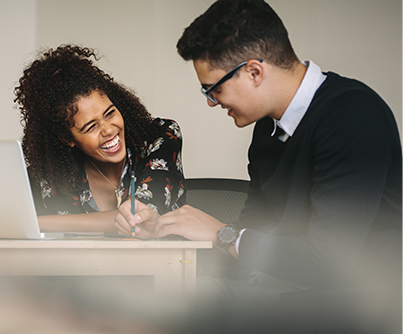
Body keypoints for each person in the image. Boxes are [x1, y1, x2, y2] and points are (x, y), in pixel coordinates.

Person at [115, 0, 401, 330]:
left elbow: (329, 263)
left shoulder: (354, 115)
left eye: (214, 89)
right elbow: (252, 235)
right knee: (146, 304)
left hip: (353, 307)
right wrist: (166, 231)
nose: (212, 102)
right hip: (285, 294)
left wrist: (220, 233)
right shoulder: (267, 129)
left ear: (254, 71)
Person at [0, 44, 186, 236]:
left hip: (164, 282)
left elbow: (137, 217)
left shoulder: (160, 137)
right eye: (89, 127)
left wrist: (34, 223)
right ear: (67, 139)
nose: (108, 130)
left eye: (110, 113)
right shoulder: (51, 173)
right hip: (83, 293)